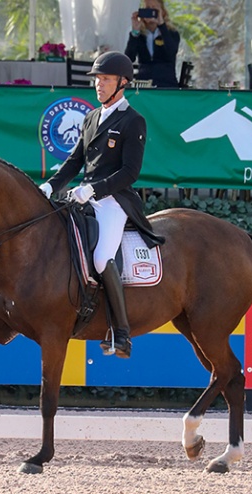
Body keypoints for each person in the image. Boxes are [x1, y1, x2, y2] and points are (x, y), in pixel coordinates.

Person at [38, 51, 164, 359]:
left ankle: (121, 333)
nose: (99, 85)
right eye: (97, 79)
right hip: (84, 196)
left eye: (106, 79)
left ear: (123, 83)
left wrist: (93, 189)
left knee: (101, 257)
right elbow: (75, 160)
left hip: (113, 200)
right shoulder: (91, 117)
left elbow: (130, 172)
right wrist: (50, 185)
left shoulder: (134, 121)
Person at [124, 0, 180, 88]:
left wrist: (162, 25)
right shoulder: (140, 35)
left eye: (154, 9)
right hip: (144, 83)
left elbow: (171, 52)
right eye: (147, 9)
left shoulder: (171, 33)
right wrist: (135, 33)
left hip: (166, 83)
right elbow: (129, 58)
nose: (150, 12)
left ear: (163, 12)